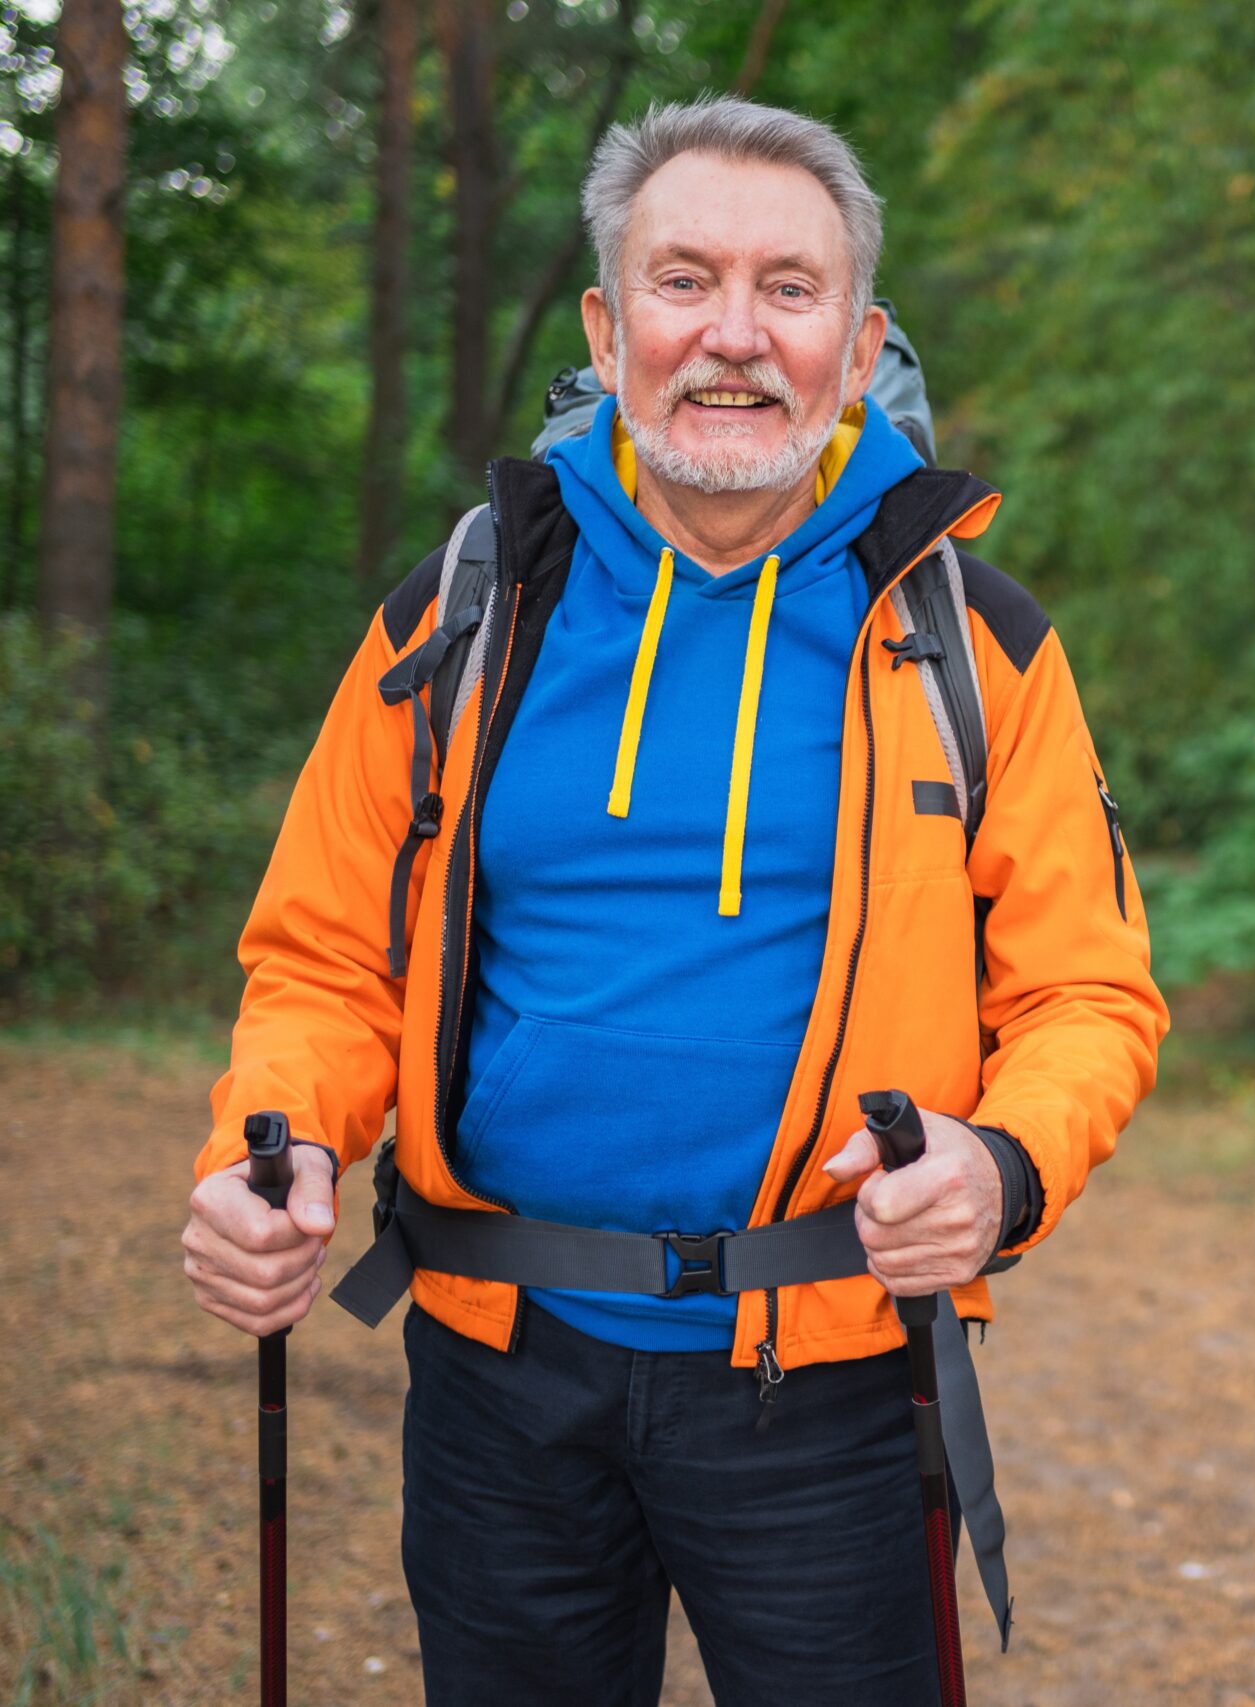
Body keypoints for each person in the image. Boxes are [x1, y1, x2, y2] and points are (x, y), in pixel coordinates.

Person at [179, 96, 1167, 1706]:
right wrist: (265, 1144)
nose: (733, 335)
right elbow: (322, 956)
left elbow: (1086, 992)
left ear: (858, 344)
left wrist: (1001, 1162)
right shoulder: (466, 611)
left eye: (791, 289)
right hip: (497, 1375)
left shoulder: (971, 640)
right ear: (607, 322)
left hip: (837, 1381)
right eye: (684, 278)